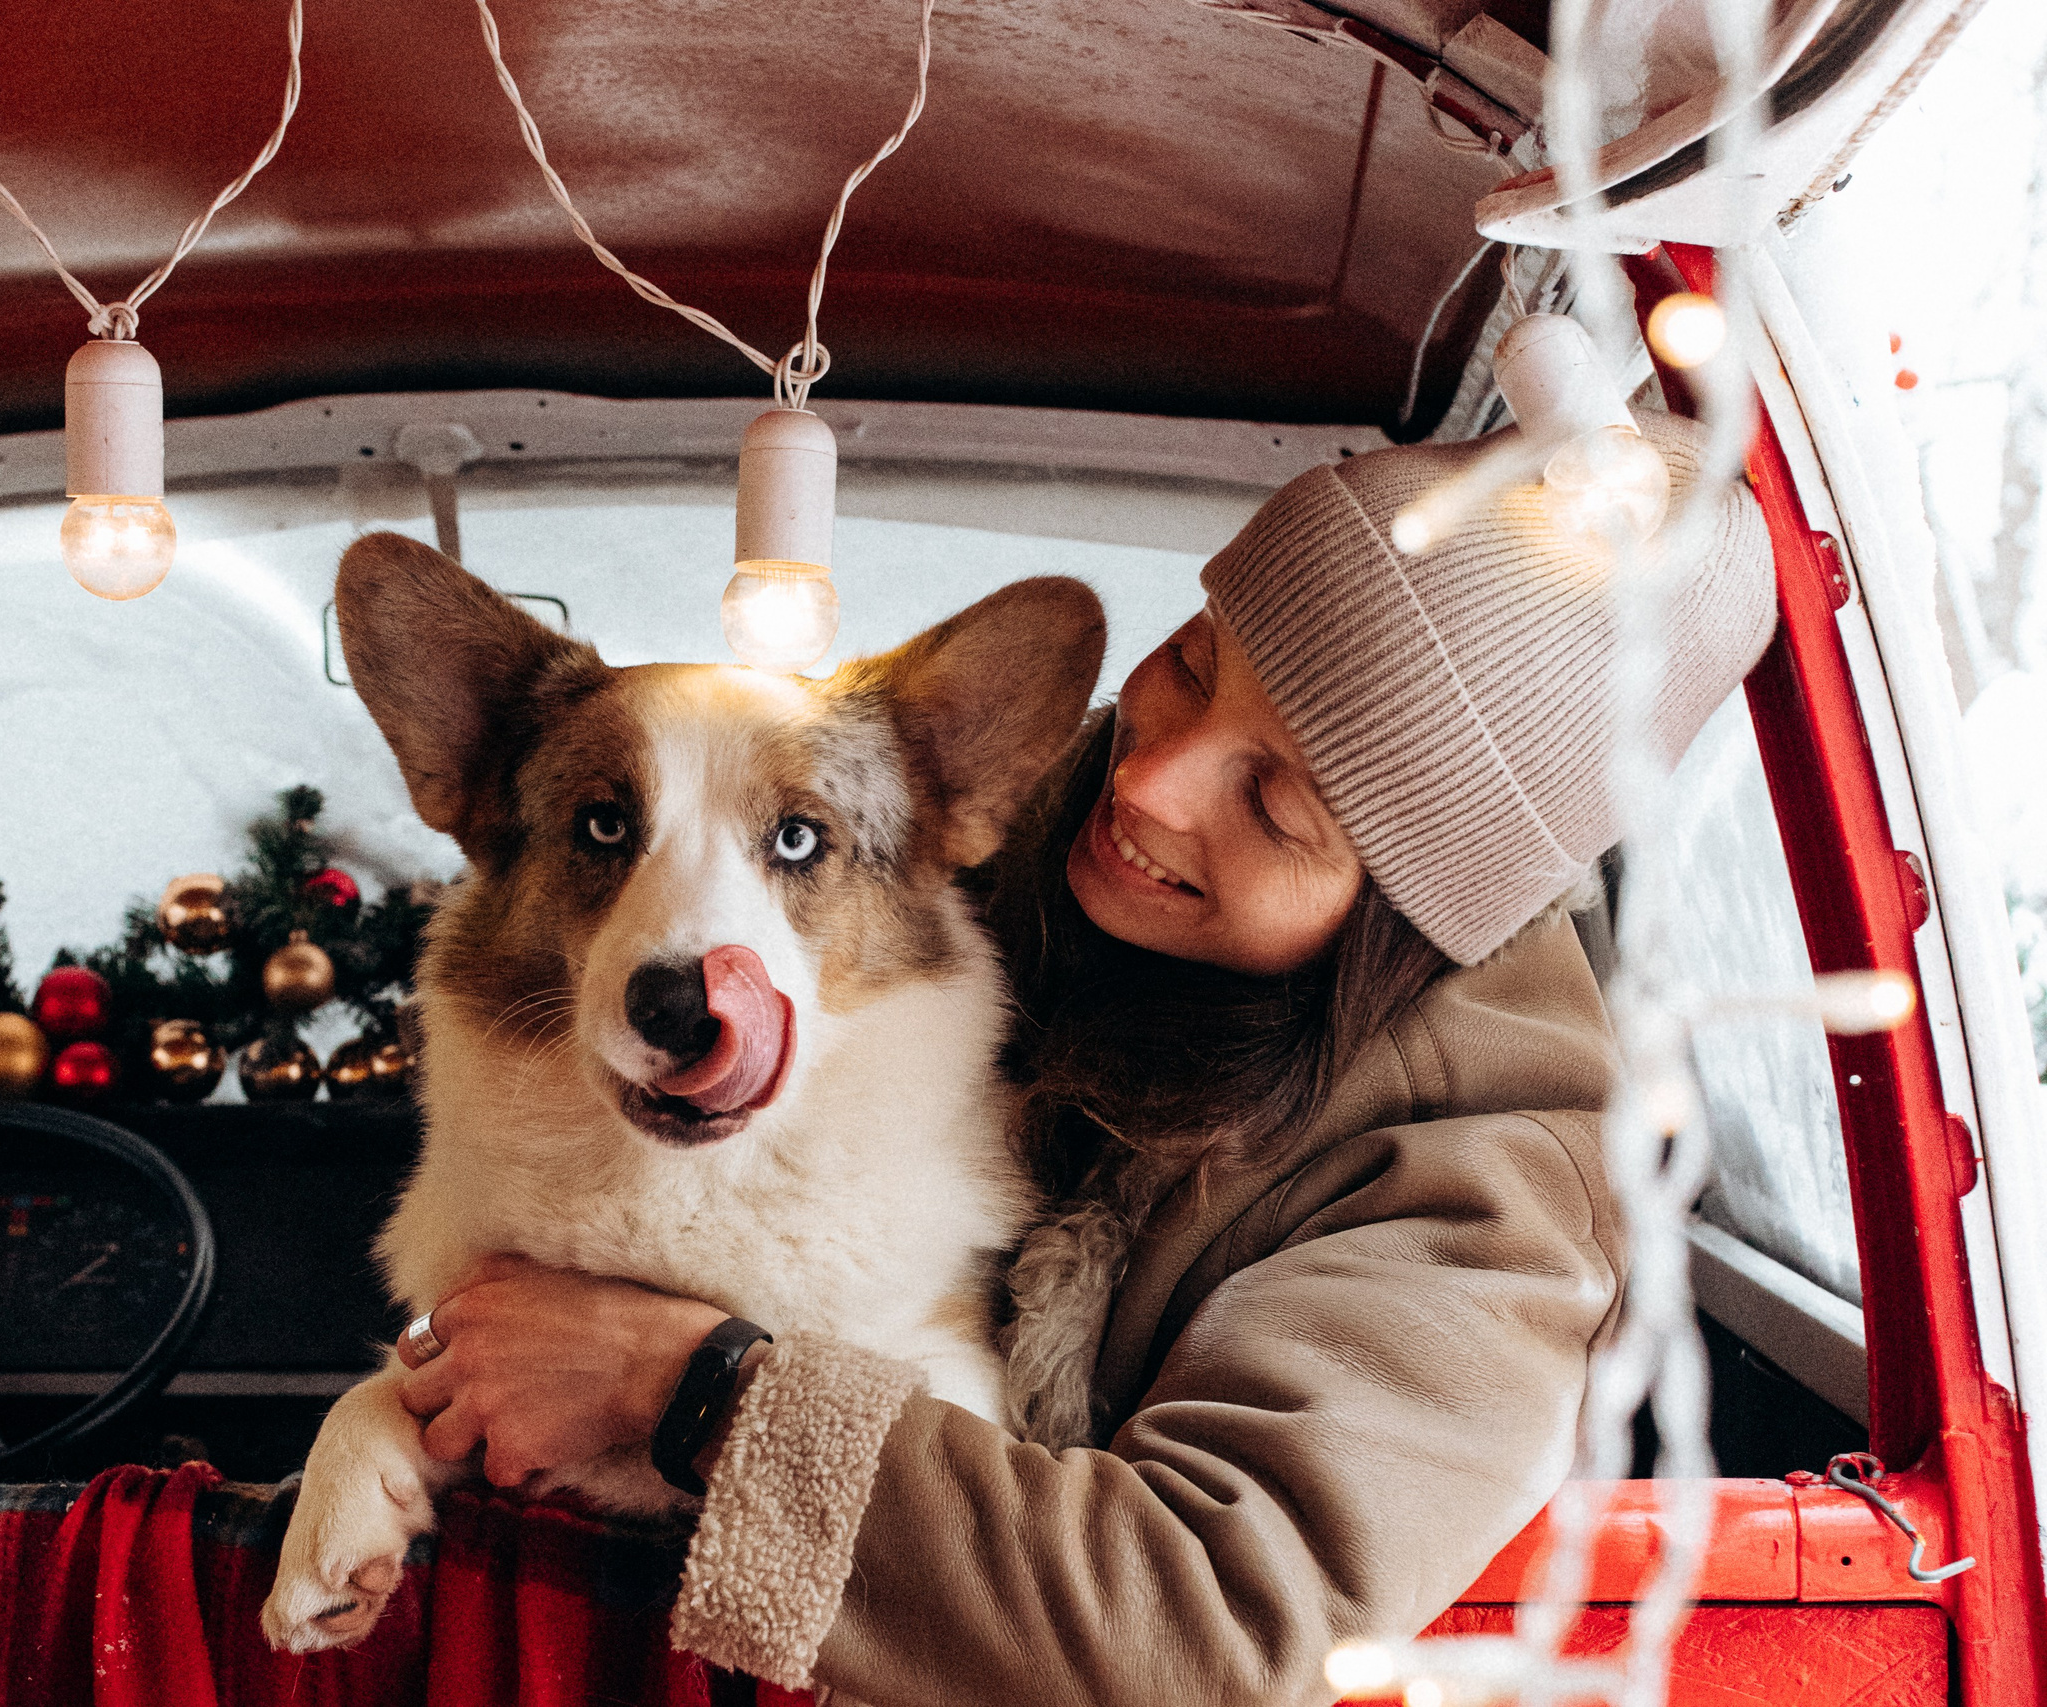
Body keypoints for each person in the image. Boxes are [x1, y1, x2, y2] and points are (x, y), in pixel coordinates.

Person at [381, 410, 1777, 1705]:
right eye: (1192, 665)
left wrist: (684, 1387)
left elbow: (1208, 1627)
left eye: (1275, 802)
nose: (1150, 781)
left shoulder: (1483, 1191)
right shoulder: (976, 851)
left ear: (1409, 901)